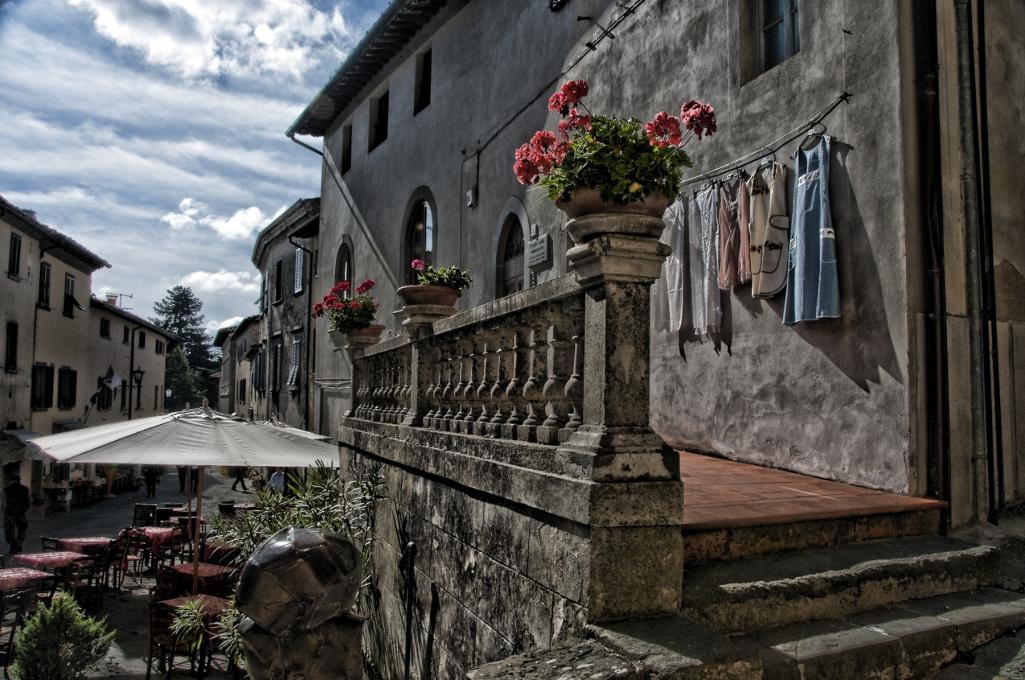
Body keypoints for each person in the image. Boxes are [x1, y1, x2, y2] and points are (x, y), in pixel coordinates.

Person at [3, 474, 30, 555]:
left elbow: (3, 502)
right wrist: (24, 510)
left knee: (9, 531)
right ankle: (18, 544)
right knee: (22, 528)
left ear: (11, 480)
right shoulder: (25, 489)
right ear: (19, 480)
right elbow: (28, 501)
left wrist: (4, 511)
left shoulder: (6, 489)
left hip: (9, 512)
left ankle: (14, 545)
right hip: (21, 512)